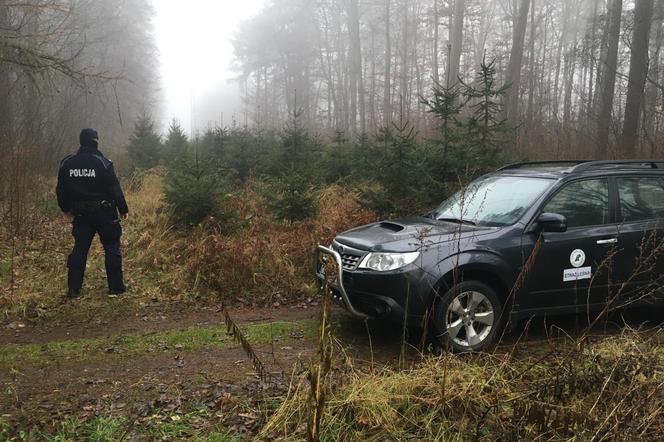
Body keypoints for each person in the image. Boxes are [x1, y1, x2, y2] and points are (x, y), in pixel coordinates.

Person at [56, 128, 129, 299]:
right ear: (96, 142)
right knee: (111, 247)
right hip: (105, 214)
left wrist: (65, 209)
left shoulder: (67, 163)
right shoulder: (103, 163)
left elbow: (61, 189)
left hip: (80, 215)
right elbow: (114, 189)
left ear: (81, 141)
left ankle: (74, 289)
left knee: (80, 249)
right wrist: (123, 209)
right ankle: (116, 288)